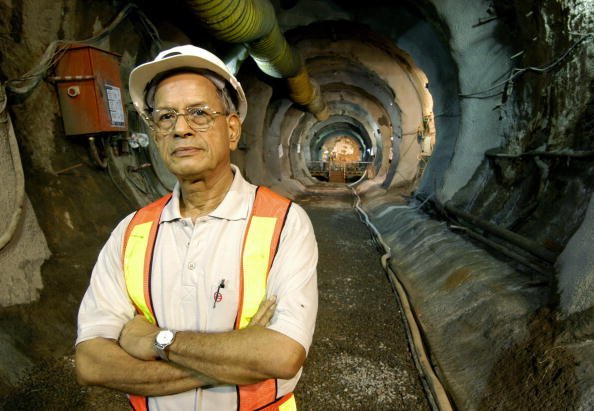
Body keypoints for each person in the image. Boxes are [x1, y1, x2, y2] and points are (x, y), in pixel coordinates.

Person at [75, 45, 318, 411]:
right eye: (166, 117)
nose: (181, 129)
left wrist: (158, 341)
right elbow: (92, 362)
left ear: (232, 129)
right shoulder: (131, 233)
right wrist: (238, 358)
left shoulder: (283, 223)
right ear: (155, 136)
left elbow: (280, 356)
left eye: (199, 114)